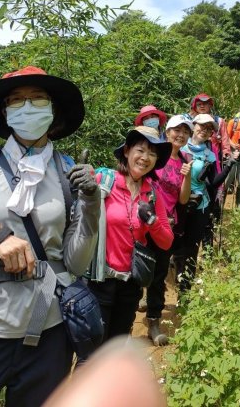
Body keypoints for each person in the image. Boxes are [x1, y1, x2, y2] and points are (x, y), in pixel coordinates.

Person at [0, 66, 100, 407]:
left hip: (49, 333)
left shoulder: (65, 173)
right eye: (17, 100)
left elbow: (75, 263)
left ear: (53, 111)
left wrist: (91, 203)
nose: (27, 107)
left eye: (37, 99)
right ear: (5, 112)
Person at [87, 126, 173, 345]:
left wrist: (151, 221)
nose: (145, 158)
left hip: (130, 284)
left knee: (116, 347)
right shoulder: (103, 181)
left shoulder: (152, 193)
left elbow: (166, 241)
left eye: (152, 153)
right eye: (140, 150)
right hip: (98, 281)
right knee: (92, 350)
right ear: (126, 151)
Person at [144, 115, 193, 346]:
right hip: (144, 220)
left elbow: (183, 199)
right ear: (167, 131)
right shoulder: (156, 155)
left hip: (166, 225)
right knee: (138, 268)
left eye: (185, 131)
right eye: (177, 130)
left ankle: (153, 320)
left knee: (160, 272)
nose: (180, 134)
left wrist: (187, 175)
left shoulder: (185, 160)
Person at [177, 114, 234, 292]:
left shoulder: (210, 155)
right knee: (176, 247)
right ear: (194, 125)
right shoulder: (179, 148)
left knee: (192, 248)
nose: (205, 130)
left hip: (199, 206)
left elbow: (212, 184)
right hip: (177, 203)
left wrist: (228, 166)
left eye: (209, 128)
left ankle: (185, 290)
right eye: (202, 125)